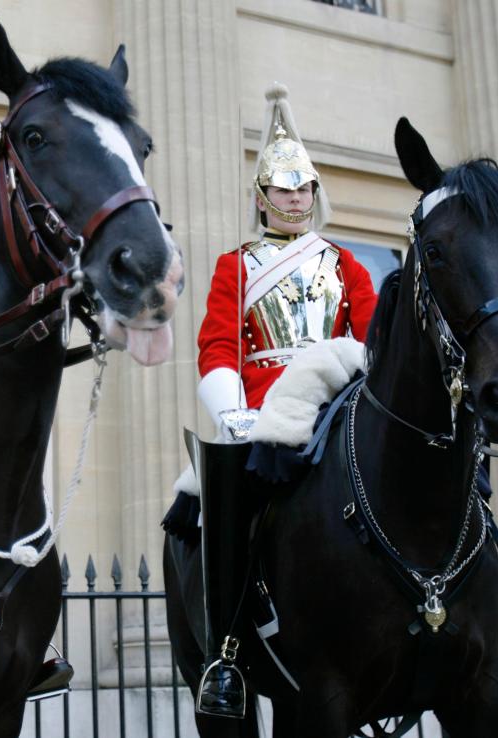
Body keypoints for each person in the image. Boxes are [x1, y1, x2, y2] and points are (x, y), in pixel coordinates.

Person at [192, 82, 377, 718]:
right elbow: (217, 347)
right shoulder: (234, 266)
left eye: (304, 189)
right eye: (283, 189)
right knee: (224, 500)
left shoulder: (345, 263)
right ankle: (227, 651)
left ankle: (475, 626)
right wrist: (232, 410)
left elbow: (373, 338)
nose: (296, 199)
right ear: (262, 196)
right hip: (265, 411)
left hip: (341, 403)